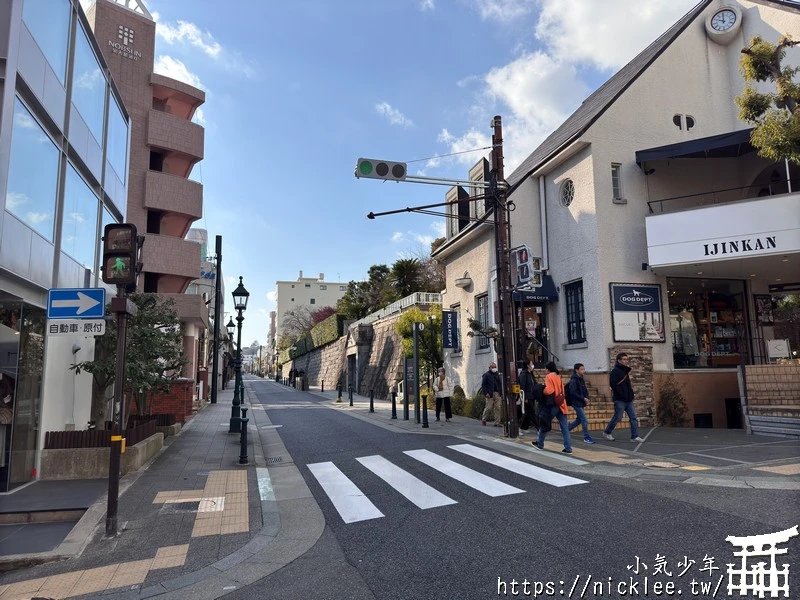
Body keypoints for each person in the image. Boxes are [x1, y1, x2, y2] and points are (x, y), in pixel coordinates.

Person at [532, 361, 573, 454]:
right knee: (564, 428)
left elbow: (549, 390)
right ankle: (568, 448)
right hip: (561, 404)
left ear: (548, 369)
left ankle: (540, 443)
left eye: (545, 368)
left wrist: (543, 389)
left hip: (552, 404)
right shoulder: (558, 377)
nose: (545, 370)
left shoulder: (549, 376)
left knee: (544, 422)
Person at [603, 352, 644, 442]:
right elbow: (613, 384)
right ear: (619, 360)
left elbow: (627, 385)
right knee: (618, 417)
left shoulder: (625, 371)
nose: (626, 361)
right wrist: (621, 393)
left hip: (628, 399)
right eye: (624, 359)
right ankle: (607, 432)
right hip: (620, 399)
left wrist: (631, 394)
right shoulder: (615, 371)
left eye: (627, 359)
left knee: (633, 417)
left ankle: (634, 436)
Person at [566, 363, 595, 444]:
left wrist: (586, 398)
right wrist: (583, 398)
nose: (583, 371)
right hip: (576, 402)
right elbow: (573, 392)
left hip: (581, 401)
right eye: (581, 369)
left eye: (584, 369)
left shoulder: (580, 379)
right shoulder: (574, 380)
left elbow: (584, 390)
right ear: (576, 370)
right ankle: (586, 437)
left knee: (579, 419)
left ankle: (566, 430)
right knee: (584, 419)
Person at [518, 361, 541, 433]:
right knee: (532, 412)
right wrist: (524, 397)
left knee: (528, 412)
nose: (533, 365)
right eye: (531, 364)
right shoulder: (523, 374)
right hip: (527, 396)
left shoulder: (530, 374)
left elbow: (534, 383)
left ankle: (522, 427)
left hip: (532, 395)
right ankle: (539, 428)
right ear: (528, 366)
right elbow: (522, 386)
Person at [480, 362, 503, 427]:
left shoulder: (497, 375)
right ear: (489, 368)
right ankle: (484, 419)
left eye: (495, 367)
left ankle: (497, 422)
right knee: (488, 408)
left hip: (497, 392)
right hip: (490, 393)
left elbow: (499, 383)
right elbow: (483, 385)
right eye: (493, 367)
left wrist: (500, 392)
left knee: (498, 407)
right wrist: (486, 393)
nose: (494, 368)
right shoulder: (486, 375)